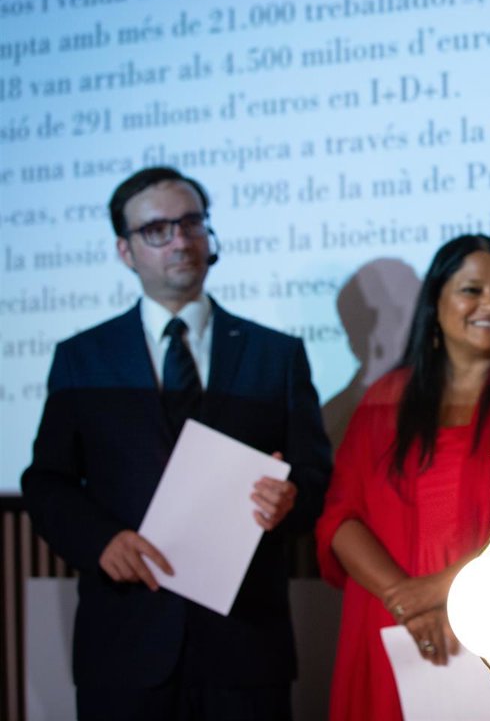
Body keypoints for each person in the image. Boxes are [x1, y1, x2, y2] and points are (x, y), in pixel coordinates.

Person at [22, 166, 332, 720]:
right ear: (125, 250)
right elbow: (47, 482)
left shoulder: (275, 356)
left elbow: (314, 479)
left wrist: (290, 500)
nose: (181, 241)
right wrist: (101, 541)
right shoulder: (82, 357)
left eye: (191, 223)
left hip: (244, 645)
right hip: (125, 640)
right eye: (157, 230)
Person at [315, 235, 490, 721]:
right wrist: (406, 602)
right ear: (436, 301)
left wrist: (444, 591)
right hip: (397, 628)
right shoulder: (384, 398)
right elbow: (340, 519)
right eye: (472, 290)